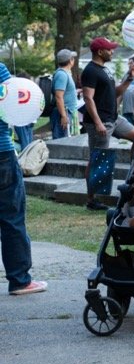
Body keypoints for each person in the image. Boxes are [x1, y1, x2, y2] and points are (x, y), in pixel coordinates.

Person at [1, 61, 46, 296]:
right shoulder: (0, 71)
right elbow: (14, 104)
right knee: (12, 219)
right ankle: (20, 280)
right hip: (2, 154)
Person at [81, 37, 134, 211]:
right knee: (97, 159)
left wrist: (130, 78)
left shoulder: (105, 70)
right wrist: (98, 123)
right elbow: (87, 97)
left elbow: (115, 93)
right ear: (100, 52)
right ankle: (92, 200)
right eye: (110, 49)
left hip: (114, 118)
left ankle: (133, 178)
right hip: (101, 122)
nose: (112, 51)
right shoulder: (90, 71)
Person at [51, 48, 79, 139]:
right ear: (70, 60)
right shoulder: (62, 75)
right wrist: (63, 116)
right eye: (73, 58)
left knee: (68, 140)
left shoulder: (65, 74)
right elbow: (58, 96)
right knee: (62, 142)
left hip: (67, 112)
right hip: (64, 113)